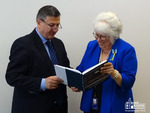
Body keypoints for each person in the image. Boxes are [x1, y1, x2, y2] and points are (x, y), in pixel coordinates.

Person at [5, 5, 70, 113]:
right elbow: (12, 77)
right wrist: (42, 83)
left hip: (59, 107)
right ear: (39, 22)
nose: (56, 29)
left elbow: (65, 68)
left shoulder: (58, 44)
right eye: (51, 25)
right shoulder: (23, 44)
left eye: (58, 25)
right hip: (33, 107)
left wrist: (75, 81)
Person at [72, 12, 138, 113]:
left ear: (113, 35)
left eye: (103, 36)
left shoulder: (126, 50)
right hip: (91, 102)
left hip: (114, 105)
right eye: (96, 35)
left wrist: (114, 73)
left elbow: (128, 82)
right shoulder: (92, 46)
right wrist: (76, 83)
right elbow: (82, 69)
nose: (99, 40)